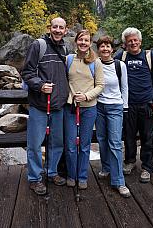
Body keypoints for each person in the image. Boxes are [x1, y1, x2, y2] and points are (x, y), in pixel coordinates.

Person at [22, 17, 69, 195]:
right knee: (34, 143)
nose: (57, 30)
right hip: (39, 104)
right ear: (50, 28)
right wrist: (40, 85)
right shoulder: (38, 45)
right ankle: (35, 178)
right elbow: (26, 72)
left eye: (61, 27)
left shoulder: (65, 49)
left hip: (58, 105)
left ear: (66, 30)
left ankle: (52, 172)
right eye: (55, 27)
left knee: (57, 142)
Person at [115, 27, 153, 183]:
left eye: (135, 40)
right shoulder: (121, 57)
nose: (133, 42)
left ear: (140, 41)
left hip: (147, 104)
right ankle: (129, 162)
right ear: (125, 43)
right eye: (130, 41)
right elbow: (106, 65)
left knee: (147, 137)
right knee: (128, 136)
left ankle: (147, 167)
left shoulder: (150, 56)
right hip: (128, 105)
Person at [64, 29, 104, 190]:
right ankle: (71, 175)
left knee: (85, 144)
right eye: (80, 40)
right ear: (76, 41)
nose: (83, 43)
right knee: (71, 144)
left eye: (86, 40)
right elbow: (64, 81)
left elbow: (100, 85)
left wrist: (87, 96)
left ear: (90, 43)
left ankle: (82, 176)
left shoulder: (96, 62)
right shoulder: (68, 59)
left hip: (89, 109)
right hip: (70, 108)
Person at [96, 36, 131, 198]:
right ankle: (106, 167)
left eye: (107, 46)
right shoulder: (95, 64)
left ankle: (119, 181)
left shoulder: (120, 65)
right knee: (102, 139)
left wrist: (124, 108)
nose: (105, 49)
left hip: (115, 107)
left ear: (112, 49)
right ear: (98, 49)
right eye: (102, 46)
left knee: (115, 143)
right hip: (98, 107)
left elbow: (125, 87)